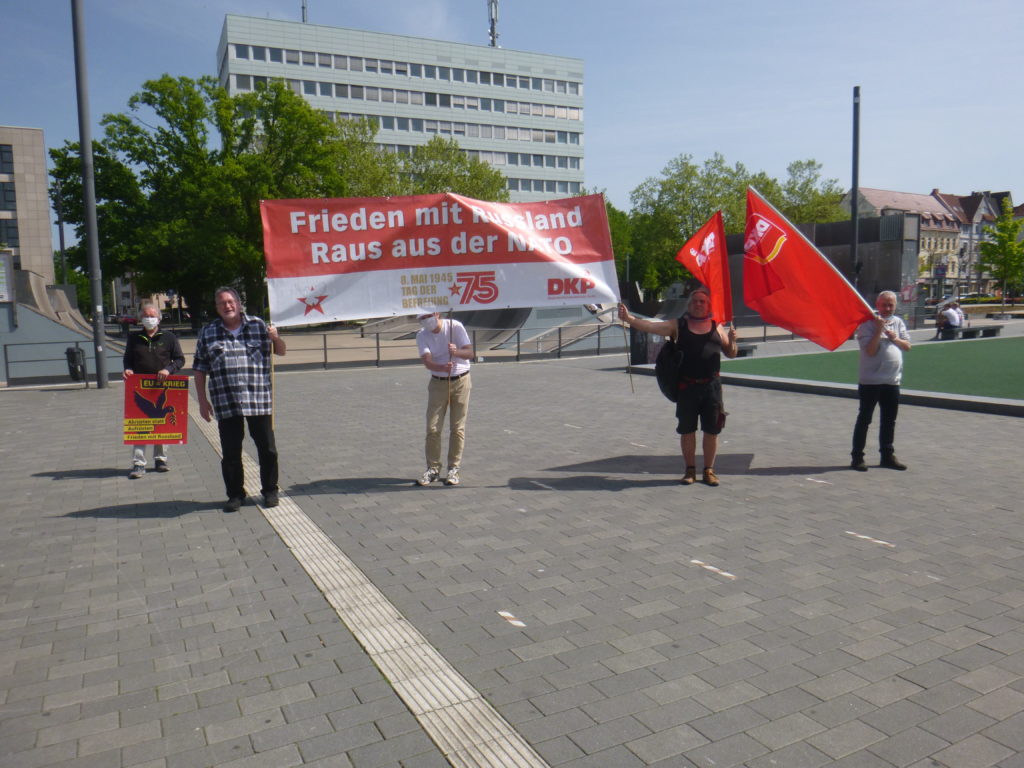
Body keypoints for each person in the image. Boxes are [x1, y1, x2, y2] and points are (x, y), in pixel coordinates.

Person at [619, 288, 738, 486]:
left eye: (702, 302)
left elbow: (731, 353)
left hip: (712, 388)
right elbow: (651, 327)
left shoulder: (718, 327)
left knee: (712, 431)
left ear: (708, 306)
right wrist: (629, 319)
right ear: (689, 305)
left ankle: (709, 470)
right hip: (687, 387)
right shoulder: (678, 325)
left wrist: (733, 341)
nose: (698, 304)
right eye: (695, 301)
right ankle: (690, 470)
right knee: (687, 430)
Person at [193, 287, 286, 511]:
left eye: (231, 301)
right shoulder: (208, 332)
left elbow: (281, 351)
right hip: (226, 400)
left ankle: (270, 490)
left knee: (267, 449)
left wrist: (275, 338)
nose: (227, 306)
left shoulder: (258, 326)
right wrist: (202, 401)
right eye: (222, 303)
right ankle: (235, 494)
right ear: (217, 308)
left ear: (238, 303)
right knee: (231, 452)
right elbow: (199, 368)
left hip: (258, 399)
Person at [123, 300, 185, 478]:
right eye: (146, 316)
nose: (149, 319)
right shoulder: (134, 339)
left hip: (162, 385)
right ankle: (138, 463)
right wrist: (128, 369)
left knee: (161, 424)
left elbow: (180, 360)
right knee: (139, 425)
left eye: (152, 316)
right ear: (141, 319)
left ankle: (160, 459)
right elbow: (128, 359)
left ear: (159, 319)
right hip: (140, 386)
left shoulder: (169, 338)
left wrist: (168, 369)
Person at [851, 290, 912, 471]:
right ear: (877, 305)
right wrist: (879, 329)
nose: (887, 308)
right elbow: (870, 350)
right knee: (865, 419)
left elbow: (908, 346)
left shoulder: (898, 322)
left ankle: (887, 455)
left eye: (890, 304)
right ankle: (857, 457)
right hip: (871, 381)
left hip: (892, 381)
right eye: (884, 304)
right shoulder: (867, 324)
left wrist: (896, 339)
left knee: (889, 420)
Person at [414, 309, 473, 487]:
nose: (426, 321)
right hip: (438, 382)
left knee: (457, 428)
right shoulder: (421, 335)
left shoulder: (455, 326)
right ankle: (432, 468)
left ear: (437, 314)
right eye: (422, 319)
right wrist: (440, 367)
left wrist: (456, 352)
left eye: (428, 316)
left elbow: (470, 353)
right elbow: (427, 361)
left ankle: (454, 468)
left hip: (461, 380)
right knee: (433, 428)